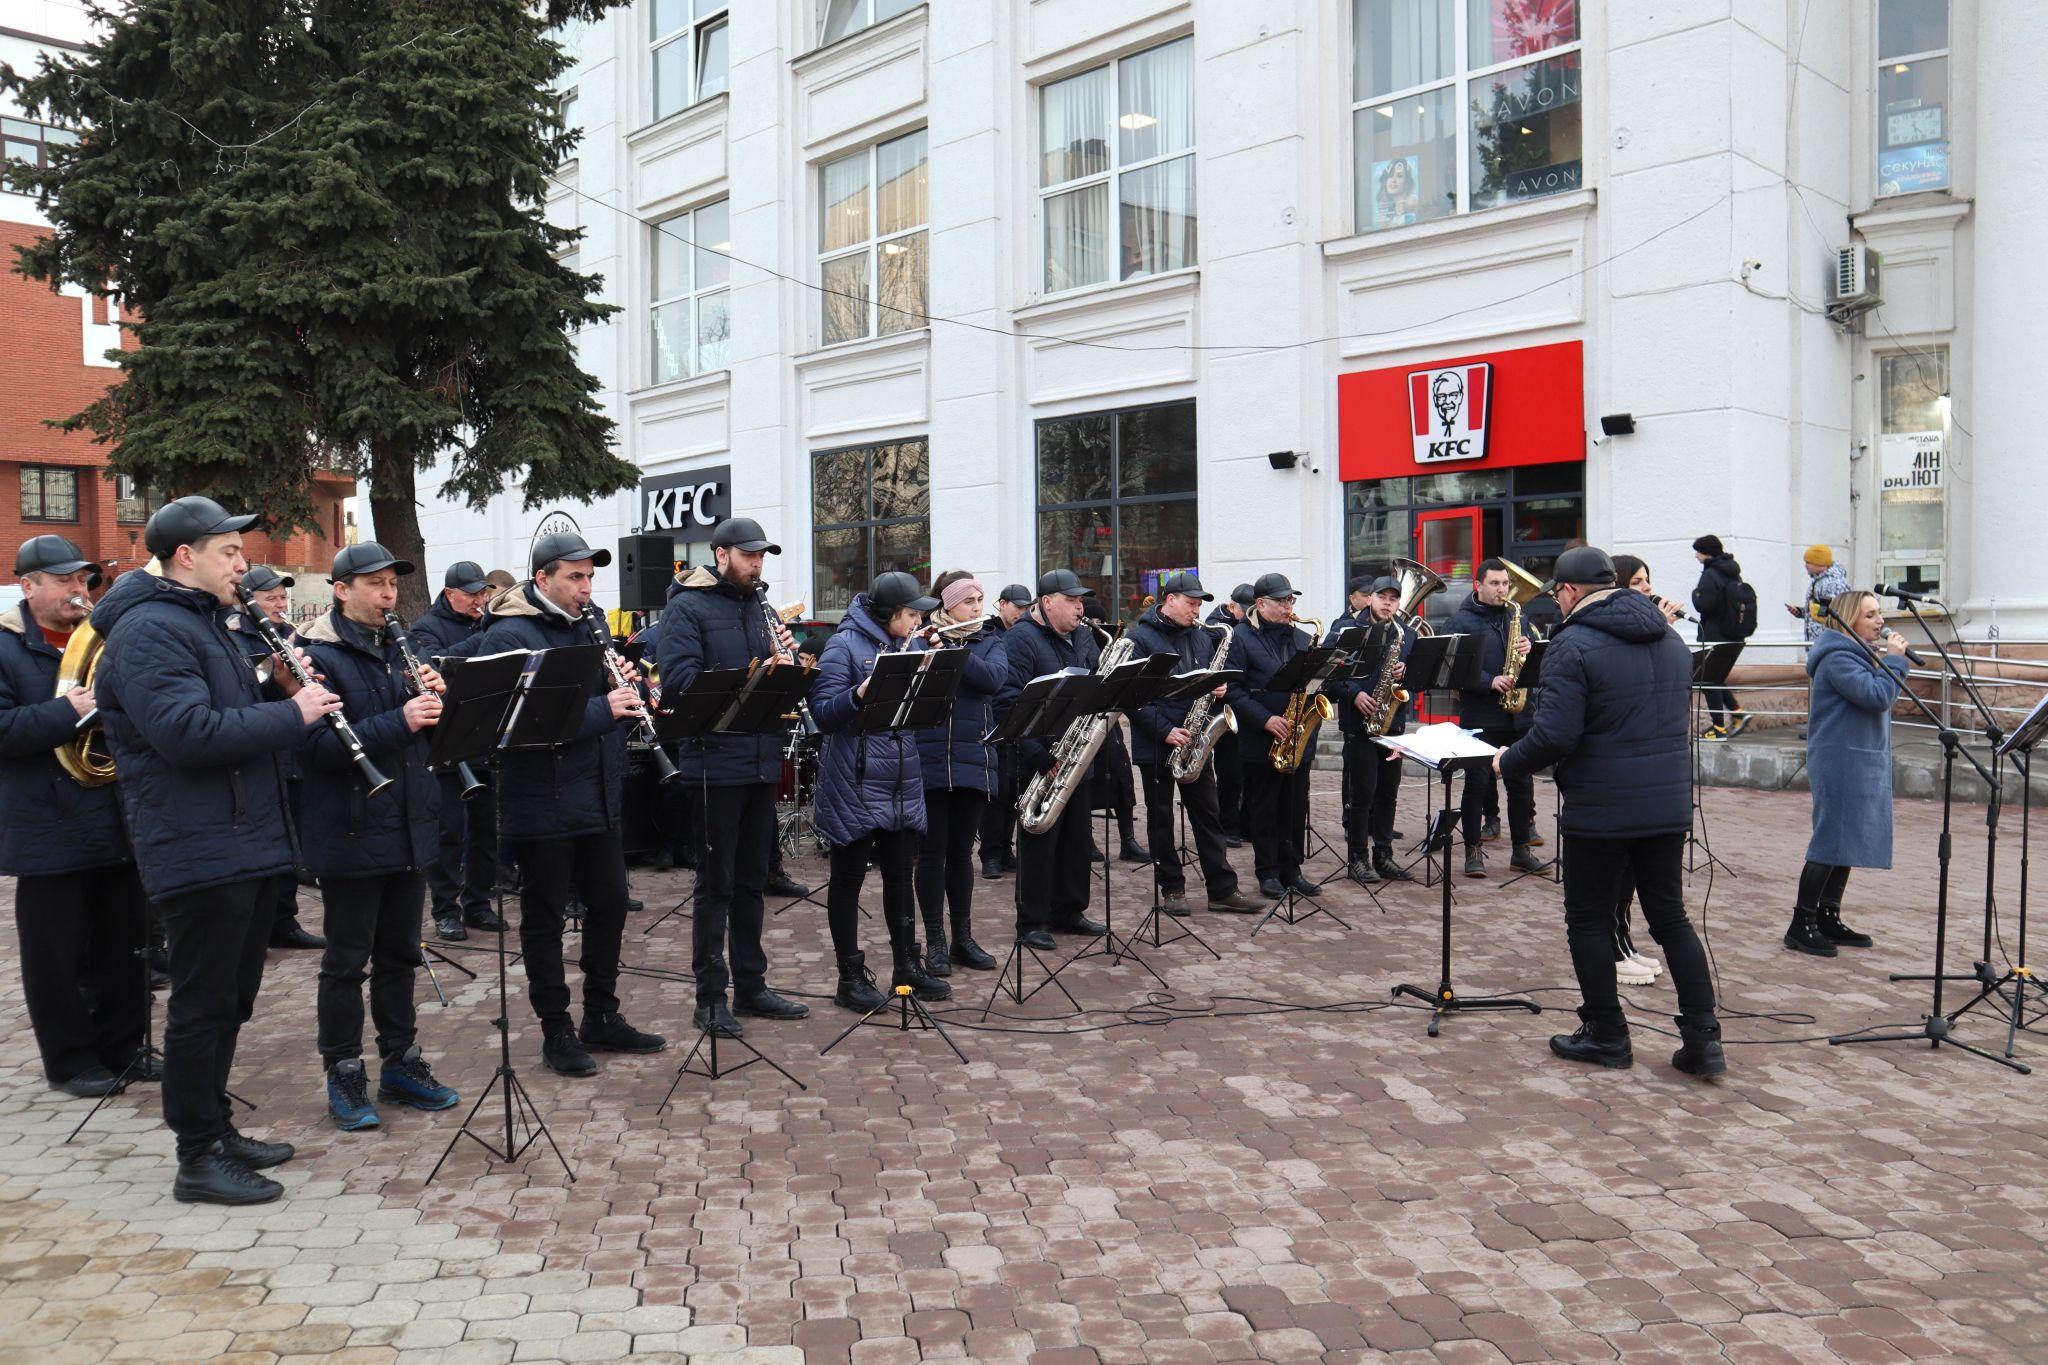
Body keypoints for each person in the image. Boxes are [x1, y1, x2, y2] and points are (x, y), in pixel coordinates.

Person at [94, 496, 338, 1205]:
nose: (242, 562)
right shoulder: (146, 631)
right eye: (229, 552)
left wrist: (275, 683)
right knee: (202, 1005)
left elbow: (225, 705)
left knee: (230, 1000)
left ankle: (218, 1125)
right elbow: (187, 732)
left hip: (245, 839)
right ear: (184, 557)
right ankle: (196, 1154)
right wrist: (292, 712)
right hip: (198, 845)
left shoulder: (207, 622)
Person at [1495, 546, 1725, 1079]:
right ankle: (1704, 1040)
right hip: (1666, 804)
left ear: (1571, 592)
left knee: (1588, 920)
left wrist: (1508, 761)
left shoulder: (1572, 643)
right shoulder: (1669, 639)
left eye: (1557, 594)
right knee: (1670, 918)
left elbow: (1555, 734)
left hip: (1601, 807)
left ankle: (1606, 1032)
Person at [474, 532, 667, 1076]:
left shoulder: (592, 623)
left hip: (598, 793)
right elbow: (519, 726)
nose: (586, 588)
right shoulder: (510, 634)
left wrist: (629, 687)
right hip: (540, 799)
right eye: (575, 578)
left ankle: (601, 1016)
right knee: (544, 918)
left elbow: (596, 702)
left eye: (589, 577)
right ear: (543, 579)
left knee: (608, 905)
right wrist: (605, 708)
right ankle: (555, 1030)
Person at [296, 544, 460, 1130]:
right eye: (376, 585)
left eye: (393, 584)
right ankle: (343, 1072)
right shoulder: (314, 657)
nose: (389, 596)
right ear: (341, 589)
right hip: (350, 830)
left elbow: (429, 738)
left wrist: (442, 699)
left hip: (408, 827)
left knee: (399, 955)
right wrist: (403, 719)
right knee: (346, 962)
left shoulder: (402, 647)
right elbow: (312, 750)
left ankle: (401, 1061)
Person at [0, 536, 149, 1098]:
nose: (77, 591)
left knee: (123, 943)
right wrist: (68, 710)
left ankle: (125, 1047)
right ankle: (69, 1060)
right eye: (62, 580)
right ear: (27, 585)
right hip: (45, 824)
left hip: (114, 817)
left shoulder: (105, 641)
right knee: (55, 956)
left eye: (83, 580)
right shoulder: (6, 645)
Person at [651, 517, 810, 1039]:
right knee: (715, 884)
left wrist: (788, 669)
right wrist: (752, 672)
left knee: (750, 883)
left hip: (762, 758)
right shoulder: (686, 607)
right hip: (714, 763)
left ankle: (752, 985)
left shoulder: (759, 606)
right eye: (748, 555)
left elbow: (772, 681)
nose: (757, 564)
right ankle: (710, 997)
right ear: (721, 555)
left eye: (762, 555)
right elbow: (675, 684)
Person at [810, 572, 950, 1009]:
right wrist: (859, 693)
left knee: (899, 876)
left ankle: (906, 966)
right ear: (890, 612)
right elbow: (823, 713)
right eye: (910, 614)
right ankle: (849, 977)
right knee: (848, 879)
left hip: (901, 779)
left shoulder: (906, 645)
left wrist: (933, 671)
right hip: (854, 780)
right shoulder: (843, 646)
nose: (915, 622)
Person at [1123, 574, 1264, 916]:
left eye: (1200, 603)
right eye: (1191, 603)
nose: (1197, 609)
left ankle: (1222, 888)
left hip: (1196, 738)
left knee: (1208, 815)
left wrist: (1216, 691)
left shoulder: (1203, 636)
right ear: (1169, 599)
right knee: (1161, 818)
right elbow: (1129, 694)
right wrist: (1165, 731)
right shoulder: (1139, 638)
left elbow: (1204, 680)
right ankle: (1172, 888)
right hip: (1158, 742)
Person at [1790, 589, 1907, 957]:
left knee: (1847, 841)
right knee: (1830, 840)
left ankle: (1828, 916)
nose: (1880, 621)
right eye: (1870, 615)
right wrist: (1897, 662)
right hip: (1839, 759)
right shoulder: (1838, 658)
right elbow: (1876, 696)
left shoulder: (1857, 655)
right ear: (1848, 619)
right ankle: (1801, 923)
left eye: (1879, 614)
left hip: (1858, 757)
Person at [997, 569, 1110, 948]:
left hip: (1077, 753)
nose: (1080, 608)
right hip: (1038, 755)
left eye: (1081, 602)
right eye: (1072, 601)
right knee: (1039, 839)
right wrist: (1037, 754)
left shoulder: (1083, 635)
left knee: (1078, 839)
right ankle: (1032, 921)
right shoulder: (1020, 640)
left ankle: (1069, 910)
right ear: (1047, 603)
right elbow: (1007, 701)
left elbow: (1096, 682)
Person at [228, 565, 326, 951]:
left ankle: (283, 921)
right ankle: (261, 924)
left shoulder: (294, 635)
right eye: (270, 598)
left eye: (283, 597)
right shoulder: (234, 638)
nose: (279, 604)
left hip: (294, 749)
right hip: (261, 752)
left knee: (290, 840)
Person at [913, 572, 1005, 974]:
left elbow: (993, 680)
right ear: (948, 605)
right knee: (931, 854)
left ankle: (963, 938)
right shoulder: (920, 639)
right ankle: (934, 941)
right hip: (928, 759)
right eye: (969, 601)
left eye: (980, 600)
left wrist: (953, 650)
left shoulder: (989, 640)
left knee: (962, 853)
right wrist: (931, 648)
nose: (977, 608)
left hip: (973, 759)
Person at [1603, 555, 1686, 987]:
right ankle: (1613, 948)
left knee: (1634, 874)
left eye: (1648, 581)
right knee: (1616, 874)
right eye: (1636, 581)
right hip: (1620, 774)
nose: (1646, 589)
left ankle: (1625, 941)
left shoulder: (1655, 633)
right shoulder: (1619, 633)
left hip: (1652, 769)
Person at [410, 560, 503, 942]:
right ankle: (446, 909)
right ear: (450, 594)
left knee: (486, 830)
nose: (481, 599)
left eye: (484, 592)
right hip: (446, 742)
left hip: (484, 736)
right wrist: (484, 633)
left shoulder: (487, 622)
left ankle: (479, 903)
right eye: (472, 594)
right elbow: (432, 666)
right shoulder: (424, 628)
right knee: (449, 832)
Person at [1442, 560, 1547, 878]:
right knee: (1476, 785)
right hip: (1480, 714)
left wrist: (1529, 647)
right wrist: (1488, 681)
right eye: (1496, 584)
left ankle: (1521, 851)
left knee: (1521, 785)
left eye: (1505, 584)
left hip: (1517, 716)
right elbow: (1451, 669)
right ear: (1479, 585)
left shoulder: (1518, 614)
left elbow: (1529, 659)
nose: (1503, 590)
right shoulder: (1459, 621)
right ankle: (1473, 851)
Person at [1227, 573, 1319, 901]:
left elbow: (1314, 685)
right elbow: (1232, 691)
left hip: (1297, 739)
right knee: (1264, 810)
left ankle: (1292, 870)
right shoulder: (1239, 638)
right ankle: (1267, 872)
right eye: (1281, 601)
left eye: (1290, 600)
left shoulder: (1302, 638)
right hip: (1261, 740)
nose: (1288, 606)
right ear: (1261, 604)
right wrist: (1265, 719)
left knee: (1295, 809)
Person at [1328, 575, 1416, 885]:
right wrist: (1353, 693)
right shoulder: (1346, 631)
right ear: (1370, 598)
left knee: (1388, 793)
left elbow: (1419, 677)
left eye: (1393, 598)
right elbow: (1326, 675)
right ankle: (1357, 858)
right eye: (1382, 597)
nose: (1388, 603)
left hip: (1394, 727)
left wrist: (1407, 673)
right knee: (1361, 794)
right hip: (1359, 725)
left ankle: (1383, 854)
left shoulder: (1406, 634)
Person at [1081, 594, 1148, 865]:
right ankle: (1087, 841)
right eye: (1092, 620)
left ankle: (1128, 840)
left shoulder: (1110, 640)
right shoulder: (1080, 641)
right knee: (1086, 780)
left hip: (1109, 719)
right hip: (1085, 719)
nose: (1096, 625)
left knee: (1122, 777)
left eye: (1100, 620)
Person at [977, 583, 1033, 879]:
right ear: (1002, 605)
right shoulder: (989, 632)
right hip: (995, 720)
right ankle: (990, 854)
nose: (1022, 612)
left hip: (1019, 719)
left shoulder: (1024, 634)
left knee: (1015, 789)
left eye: (1027, 607)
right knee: (997, 793)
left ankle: (1006, 848)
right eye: (1017, 607)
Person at [1205, 583, 1257, 847]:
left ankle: (1247, 824)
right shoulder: (1215, 627)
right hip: (1224, 710)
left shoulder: (1246, 624)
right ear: (1232, 605)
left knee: (1248, 774)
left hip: (1246, 708)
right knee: (1230, 773)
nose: (1249, 616)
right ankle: (1228, 826)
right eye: (1245, 611)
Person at [1689, 535, 1755, 739]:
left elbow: (1704, 605)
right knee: (1715, 677)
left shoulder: (1710, 574)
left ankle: (1718, 729)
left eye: (1698, 552)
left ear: (1706, 552)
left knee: (1707, 679)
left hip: (1715, 635)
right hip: (1733, 634)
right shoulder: (1732, 572)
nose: (1696, 556)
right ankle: (1737, 713)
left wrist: (1694, 594)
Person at [1787, 543, 1852, 644]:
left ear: (1819, 563)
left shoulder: (1831, 583)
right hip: (1820, 641)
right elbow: (1820, 610)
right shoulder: (1819, 581)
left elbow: (1832, 614)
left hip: (1827, 642)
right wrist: (1801, 612)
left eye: (1808, 562)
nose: (1805, 566)